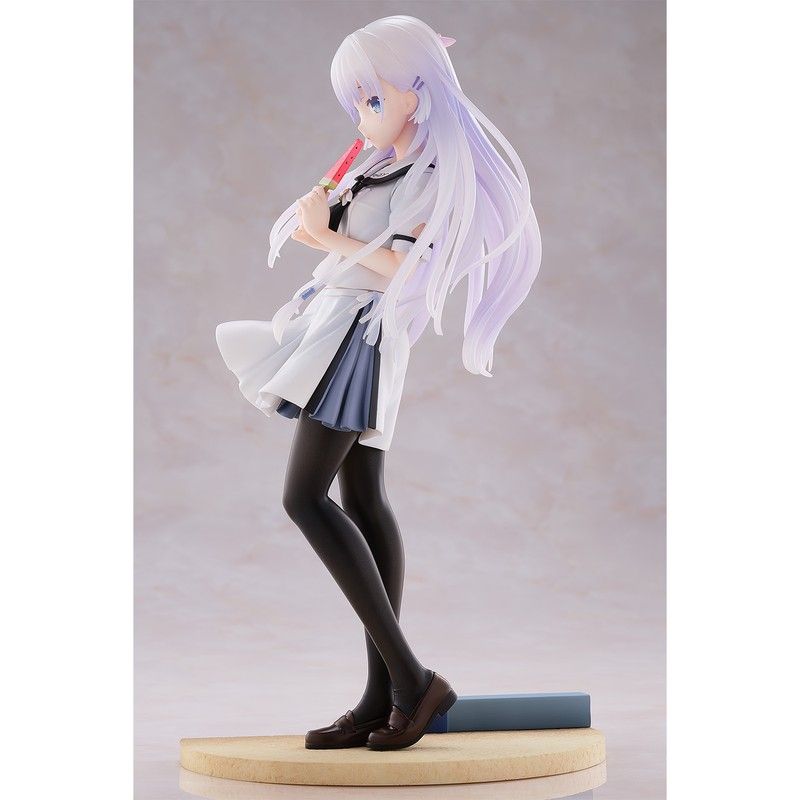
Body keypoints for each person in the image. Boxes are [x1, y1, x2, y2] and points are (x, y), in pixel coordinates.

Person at [215, 14, 542, 751]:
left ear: (416, 96)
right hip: (335, 324)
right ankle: (380, 698)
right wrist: (326, 222)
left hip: (358, 337)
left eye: (371, 99)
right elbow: (356, 249)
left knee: (305, 497)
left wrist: (326, 235)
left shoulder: (430, 176)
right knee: (362, 500)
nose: (361, 115)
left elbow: (403, 269)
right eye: (356, 102)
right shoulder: (372, 165)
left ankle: (412, 680)